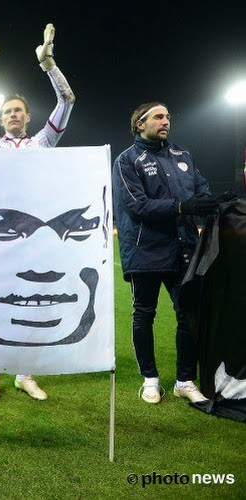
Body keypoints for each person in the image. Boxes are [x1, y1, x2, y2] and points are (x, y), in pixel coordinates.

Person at [0, 23, 76, 401]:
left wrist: (49, 65)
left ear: (28, 117)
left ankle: (25, 373)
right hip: (0, 238)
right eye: (8, 110)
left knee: (32, 295)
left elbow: (68, 101)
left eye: (18, 111)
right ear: (1, 118)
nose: (13, 114)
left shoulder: (44, 142)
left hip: (37, 239)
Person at [113, 102, 216, 405]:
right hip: (145, 250)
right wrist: (182, 207)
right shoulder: (127, 160)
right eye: (158, 116)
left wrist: (213, 203)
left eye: (168, 116)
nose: (165, 121)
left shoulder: (183, 155)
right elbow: (137, 206)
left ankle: (185, 381)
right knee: (144, 315)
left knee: (188, 314)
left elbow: (202, 190)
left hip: (183, 248)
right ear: (139, 124)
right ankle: (150, 380)